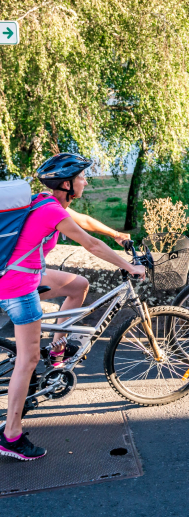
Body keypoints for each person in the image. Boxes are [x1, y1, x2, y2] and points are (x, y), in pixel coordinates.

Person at [0, 153, 145, 462]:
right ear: (66, 184)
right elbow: (89, 244)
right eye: (81, 177)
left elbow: (86, 224)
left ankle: (57, 352)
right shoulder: (51, 211)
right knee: (27, 359)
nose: (85, 180)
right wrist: (128, 266)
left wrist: (116, 234)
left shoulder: (48, 203)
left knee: (78, 285)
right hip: (16, 286)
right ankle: (10, 435)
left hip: (26, 271)